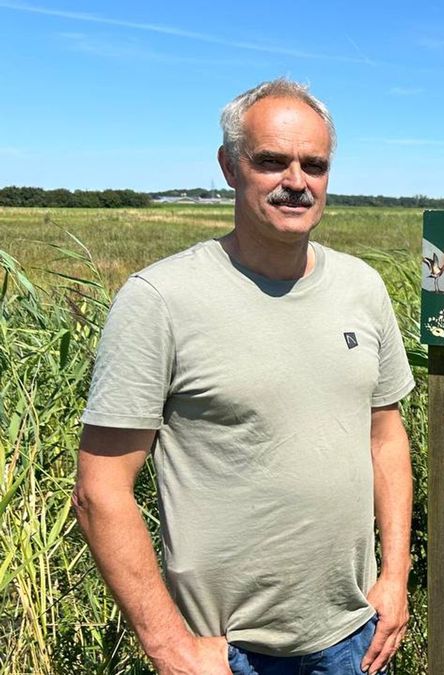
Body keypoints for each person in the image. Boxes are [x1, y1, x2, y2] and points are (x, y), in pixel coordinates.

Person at [72, 79, 415, 675]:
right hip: (226, 652)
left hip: (356, 636)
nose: (296, 181)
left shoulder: (363, 287)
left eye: (315, 164)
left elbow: (385, 438)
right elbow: (100, 488)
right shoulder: (161, 299)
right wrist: (168, 644)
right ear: (229, 167)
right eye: (271, 161)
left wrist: (394, 579)